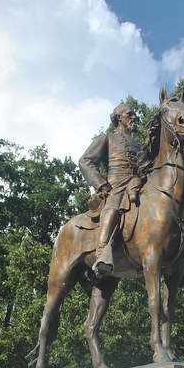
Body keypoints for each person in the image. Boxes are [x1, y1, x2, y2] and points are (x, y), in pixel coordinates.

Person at [78, 102, 143, 278]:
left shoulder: (140, 145)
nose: (133, 117)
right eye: (129, 114)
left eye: (133, 114)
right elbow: (85, 161)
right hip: (116, 185)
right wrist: (101, 184)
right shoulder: (106, 138)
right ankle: (102, 251)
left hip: (139, 184)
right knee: (112, 210)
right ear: (118, 118)